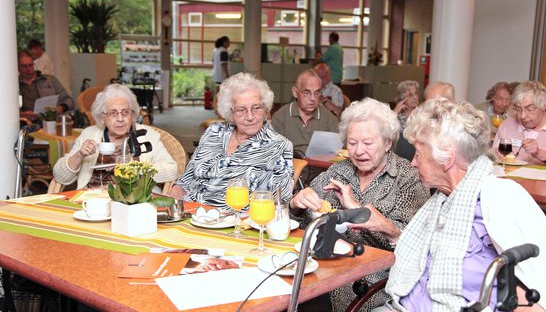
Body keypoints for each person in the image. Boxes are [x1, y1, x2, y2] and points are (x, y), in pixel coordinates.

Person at [362, 98, 546, 312]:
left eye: (418, 153)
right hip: (400, 309)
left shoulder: (502, 201)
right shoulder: (443, 200)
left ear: (446, 158)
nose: (413, 163)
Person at [290, 98, 430, 312]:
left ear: (387, 143)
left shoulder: (408, 178)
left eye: (367, 143)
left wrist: (357, 210)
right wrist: (297, 204)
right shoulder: (339, 170)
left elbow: (411, 244)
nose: (358, 151)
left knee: (305, 307)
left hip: (370, 278)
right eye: (352, 143)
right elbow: (305, 222)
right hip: (321, 267)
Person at [170, 73, 293, 207]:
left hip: (237, 221)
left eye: (256, 108)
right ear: (230, 113)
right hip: (193, 214)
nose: (250, 116)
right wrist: (171, 206)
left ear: (265, 109)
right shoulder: (214, 132)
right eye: (241, 110)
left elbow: (281, 201)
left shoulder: (279, 145)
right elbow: (185, 181)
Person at [53, 84, 177, 189]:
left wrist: (138, 171)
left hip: (134, 203)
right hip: (93, 201)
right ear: (102, 118)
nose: (120, 119)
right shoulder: (89, 134)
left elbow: (172, 169)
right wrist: (80, 155)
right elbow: (60, 176)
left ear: (133, 116)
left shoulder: (147, 135)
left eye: (125, 112)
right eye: (113, 113)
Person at [272, 69, 339, 183]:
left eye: (317, 92)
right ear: (295, 92)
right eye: (307, 92)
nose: (313, 98)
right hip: (288, 175)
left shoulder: (329, 118)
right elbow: (272, 154)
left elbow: (336, 154)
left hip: (321, 177)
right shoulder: (281, 116)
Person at [493, 81, 546, 166]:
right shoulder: (507, 125)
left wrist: (539, 153)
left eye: (530, 109)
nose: (522, 116)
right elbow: (493, 158)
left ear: (544, 106)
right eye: (518, 109)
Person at [18, 50, 74, 120]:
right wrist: (22, 114)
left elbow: (69, 100)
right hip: (28, 122)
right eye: (24, 66)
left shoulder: (50, 80)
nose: (28, 69)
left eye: (30, 65)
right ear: (18, 68)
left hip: (53, 120)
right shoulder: (15, 86)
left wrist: (61, 107)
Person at [393, 80, 420, 161]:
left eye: (416, 93)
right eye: (410, 95)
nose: (415, 97)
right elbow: (383, 132)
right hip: (397, 162)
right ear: (402, 97)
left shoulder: (422, 115)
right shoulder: (395, 116)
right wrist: (395, 112)